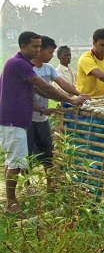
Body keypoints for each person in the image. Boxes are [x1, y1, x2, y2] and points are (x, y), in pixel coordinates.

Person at [0, 31, 88, 213]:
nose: (38, 50)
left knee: (20, 159)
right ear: (23, 47)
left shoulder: (23, 64)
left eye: (40, 46)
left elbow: (41, 91)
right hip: (12, 119)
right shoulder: (19, 64)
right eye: (35, 46)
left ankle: (14, 198)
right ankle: (10, 202)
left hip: (18, 119)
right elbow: (44, 85)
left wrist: (64, 99)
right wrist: (71, 100)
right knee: (16, 162)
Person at [29, 36, 89, 191]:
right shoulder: (28, 69)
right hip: (27, 118)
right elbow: (43, 91)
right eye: (50, 52)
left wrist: (78, 94)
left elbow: (63, 84)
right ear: (40, 50)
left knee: (48, 152)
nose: (51, 55)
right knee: (26, 154)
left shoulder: (48, 69)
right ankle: (27, 185)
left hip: (42, 118)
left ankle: (50, 185)